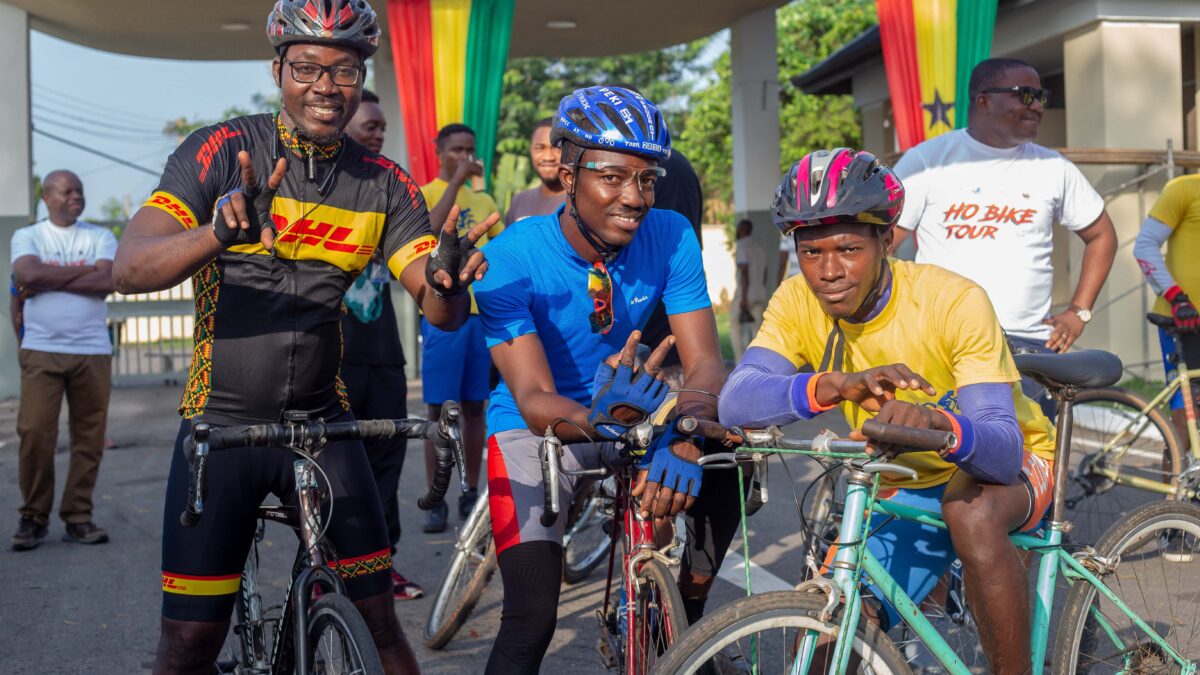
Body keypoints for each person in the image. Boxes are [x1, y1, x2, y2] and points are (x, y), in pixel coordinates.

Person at [112, 1, 493, 672]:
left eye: (344, 69)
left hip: (323, 423)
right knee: (190, 641)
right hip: (219, 424)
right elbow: (130, 265)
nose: (325, 84)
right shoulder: (220, 150)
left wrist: (451, 279)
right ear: (278, 69)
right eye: (307, 67)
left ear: (361, 76)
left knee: (379, 624)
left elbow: (438, 311)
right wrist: (216, 235)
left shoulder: (383, 183)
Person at [720, 149, 1058, 675]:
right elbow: (737, 400)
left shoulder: (953, 300)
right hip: (905, 477)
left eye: (850, 248)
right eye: (810, 253)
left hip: (1003, 466)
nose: (828, 272)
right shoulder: (796, 301)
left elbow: (999, 448)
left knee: (969, 510)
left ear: (888, 240)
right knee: (826, 638)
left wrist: (939, 424)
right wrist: (835, 385)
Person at [473, 85, 729, 673]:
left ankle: (685, 612)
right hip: (539, 431)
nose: (634, 197)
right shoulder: (510, 256)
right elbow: (534, 398)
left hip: (634, 412)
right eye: (613, 177)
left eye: (646, 179)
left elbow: (706, 364)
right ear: (568, 174)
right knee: (530, 621)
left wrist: (687, 428)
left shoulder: (670, 233)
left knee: (726, 461)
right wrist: (605, 421)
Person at [892, 57, 1117, 416]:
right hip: (942, 339)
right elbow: (883, 242)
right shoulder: (928, 160)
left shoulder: (1052, 168)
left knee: (1027, 459)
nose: (1038, 106)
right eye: (1025, 95)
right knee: (939, 452)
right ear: (983, 101)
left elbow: (1102, 234)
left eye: (1041, 96)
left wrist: (1079, 311)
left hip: (1025, 345)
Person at [341, 88, 422, 600]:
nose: (379, 132)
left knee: (386, 462)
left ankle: (380, 565)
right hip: (333, 358)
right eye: (370, 124)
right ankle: (326, 571)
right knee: (336, 466)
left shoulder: (389, 187)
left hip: (383, 352)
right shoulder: (319, 186)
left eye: (382, 127)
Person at [10, 169, 116, 551]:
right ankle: (33, 517)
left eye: (80, 190)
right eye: (68, 191)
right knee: (36, 432)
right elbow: (25, 272)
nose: (77, 196)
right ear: (47, 197)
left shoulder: (100, 236)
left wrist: (45, 278)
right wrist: (85, 272)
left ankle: (78, 516)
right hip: (42, 349)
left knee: (88, 439)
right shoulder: (28, 235)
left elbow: (108, 282)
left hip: (92, 351)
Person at [419, 123, 505, 532]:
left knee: (475, 407)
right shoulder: (426, 192)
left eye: (469, 150)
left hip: (478, 316)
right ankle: (435, 494)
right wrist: (454, 180)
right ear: (439, 151)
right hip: (442, 314)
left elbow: (499, 252)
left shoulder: (485, 198)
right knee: (438, 409)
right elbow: (432, 232)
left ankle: (469, 488)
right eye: (456, 150)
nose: (464, 156)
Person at [1134, 173, 1200, 451]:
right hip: (1185, 320)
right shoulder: (1184, 188)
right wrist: (1175, 296)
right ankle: (1173, 492)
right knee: (1187, 422)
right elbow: (1145, 246)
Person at [504, 117, 565, 225]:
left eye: (557, 148)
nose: (548, 157)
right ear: (531, 150)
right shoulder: (519, 202)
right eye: (540, 148)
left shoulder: (579, 202)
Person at [731, 217, 766, 359]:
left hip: (744, 295)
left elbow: (744, 271)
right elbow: (765, 273)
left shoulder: (741, 246)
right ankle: (758, 362)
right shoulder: (759, 248)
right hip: (759, 293)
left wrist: (744, 297)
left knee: (735, 327)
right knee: (758, 332)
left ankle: (740, 362)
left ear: (741, 230)